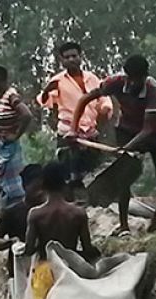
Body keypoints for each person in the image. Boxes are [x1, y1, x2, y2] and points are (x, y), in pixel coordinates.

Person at [71, 55, 156, 235]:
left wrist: (126, 148)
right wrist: (73, 130)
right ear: (126, 75)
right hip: (126, 130)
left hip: (155, 133)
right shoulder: (114, 82)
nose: (132, 83)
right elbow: (85, 99)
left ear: (145, 77)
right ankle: (124, 226)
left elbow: (148, 129)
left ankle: (155, 222)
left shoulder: (153, 89)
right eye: (130, 78)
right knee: (124, 175)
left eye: (137, 79)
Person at [25, 164, 100, 299]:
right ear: (65, 184)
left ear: (42, 185)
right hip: (71, 271)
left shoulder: (36, 214)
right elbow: (87, 248)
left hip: (45, 272)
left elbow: (29, 249)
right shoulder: (78, 213)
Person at [39, 41, 111, 189]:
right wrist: (46, 90)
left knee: (93, 173)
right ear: (62, 60)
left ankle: (93, 206)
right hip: (68, 132)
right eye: (67, 57)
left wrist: (104, 109)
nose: (71, 59)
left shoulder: (92, 78)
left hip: (90, 132)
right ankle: (71, 203)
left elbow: (104, 100)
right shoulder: (57, 81)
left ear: (80, 57)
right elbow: (44, 101)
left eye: (74, 56)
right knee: (69, 175)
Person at [0, 66, 34, 211]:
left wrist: (15, 135)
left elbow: (26, 115)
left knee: (13, 187)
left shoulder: (11, 96)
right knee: (3, 186)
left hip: (9, 149)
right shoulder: (3, 98)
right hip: (2, 150)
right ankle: (10, 214)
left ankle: (17, 215)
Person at [0, 165, 46, 253]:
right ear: (24, 186)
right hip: (20, 263)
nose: (40, 193)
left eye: (43, 188)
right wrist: (10, 242)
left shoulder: (49, 211)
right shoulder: (12, 212)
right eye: (36, 188)